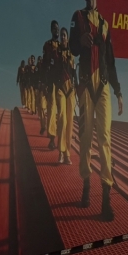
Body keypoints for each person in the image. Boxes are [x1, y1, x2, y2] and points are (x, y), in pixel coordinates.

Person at [70, 0, 123, 220]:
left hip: (102, 87)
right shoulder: (77, 17)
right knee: (85, 140)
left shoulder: (104, 23)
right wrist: (79, 40)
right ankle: (86, 186)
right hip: (84, 85)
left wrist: (119, 91)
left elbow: (110, 61)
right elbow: (71, 48)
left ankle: (105, 200)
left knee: (104, 140)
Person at [54, 27, 76, 165]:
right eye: (61, 35)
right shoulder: (56, 53)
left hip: (71, 89)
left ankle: (68, 154)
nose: (62, 37)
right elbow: (53, 71)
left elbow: (74, 71)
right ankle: (61, 152)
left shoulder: (72, 52)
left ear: (67, 38)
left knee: (70, 122)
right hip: (60, 88)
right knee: (62, 120)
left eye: (64, 35)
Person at [41, 21, 62, 150]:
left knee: (62, 112)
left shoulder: (62, 45)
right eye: (54, 29)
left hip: (62, 82)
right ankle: (52, 139)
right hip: (52, 81)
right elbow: (44, 65)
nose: (56, 31)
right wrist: (44, 82)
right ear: (51, 30)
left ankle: (62, 138)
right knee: (52, 108)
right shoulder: (47, 45)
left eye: (58, 28)